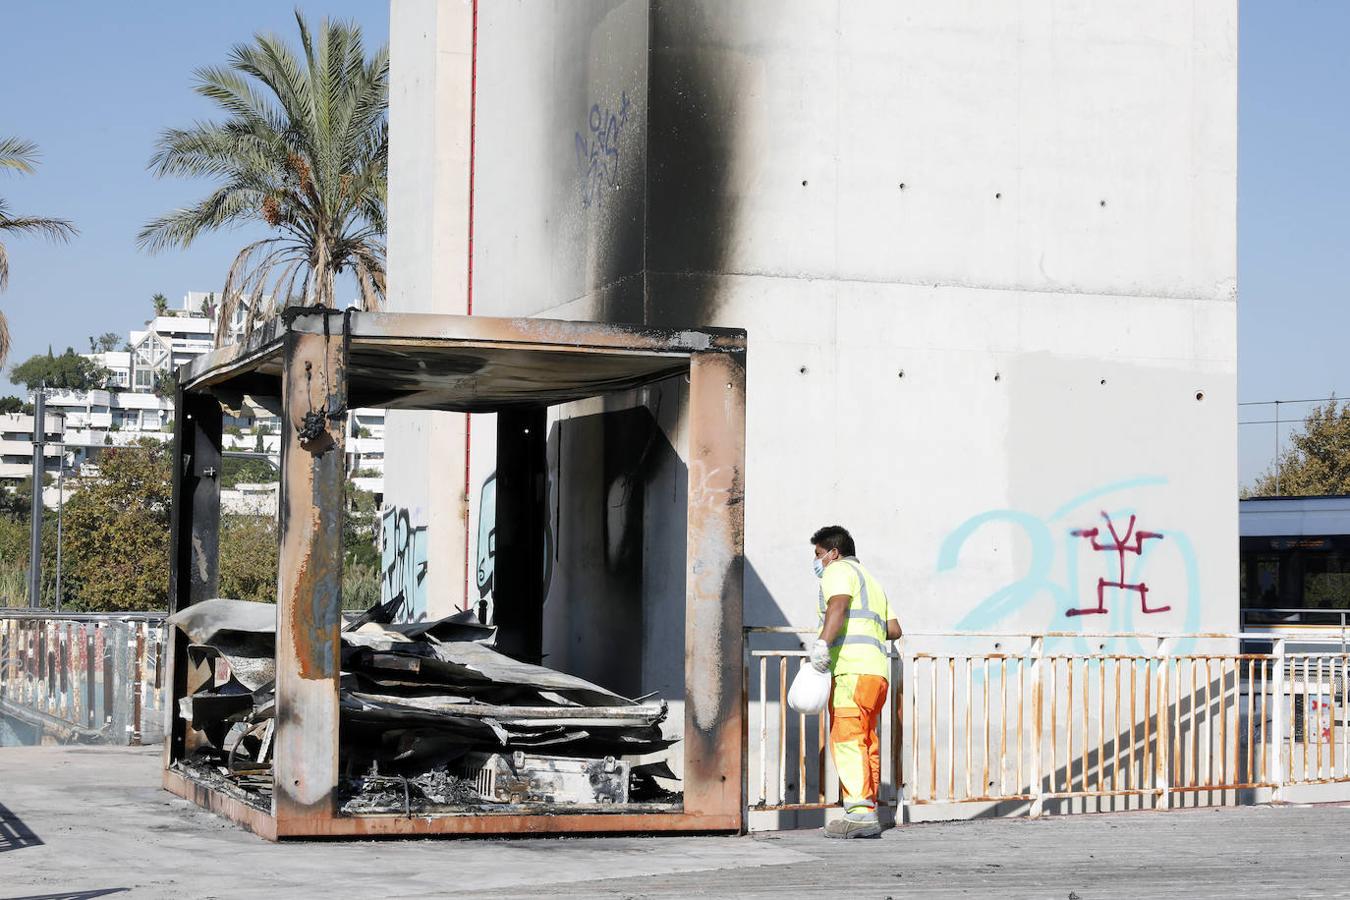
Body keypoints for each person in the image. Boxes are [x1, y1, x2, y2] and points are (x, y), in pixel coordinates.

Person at [807, 525, 902, 839]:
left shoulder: (839, 571)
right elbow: (894, 629)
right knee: (866, 740)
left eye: (819, 554)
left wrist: (823, 643)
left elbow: (838, 605)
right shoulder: (872, 582)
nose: (818, 562)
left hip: (852, 669)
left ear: (833, 552)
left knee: (847, 738)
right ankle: (868, 808)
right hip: (877, 673)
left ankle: (859, 814)